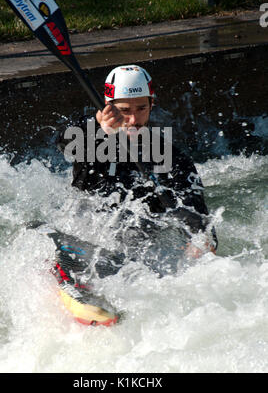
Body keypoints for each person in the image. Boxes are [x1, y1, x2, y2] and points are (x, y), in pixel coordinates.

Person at [57, 65, 217, 266]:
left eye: (141, 108)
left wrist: (201, 241)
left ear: (152, 104)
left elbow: (195, 209)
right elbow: (63, 142)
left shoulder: (169, 156)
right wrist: (97, 124)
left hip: (139, 248)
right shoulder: (89, 136)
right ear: (108, 106)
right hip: (83, 231)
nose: (133, 120)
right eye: (124, 110)